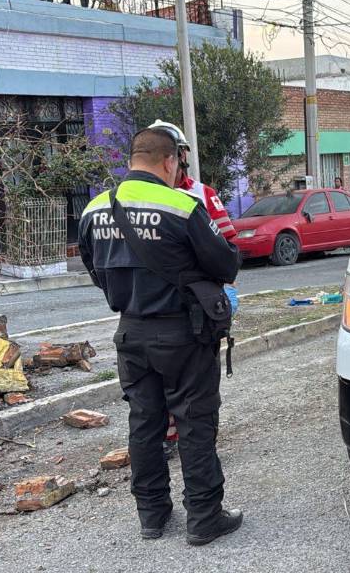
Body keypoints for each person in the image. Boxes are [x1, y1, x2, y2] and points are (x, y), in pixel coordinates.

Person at [78, 127, 242, 546]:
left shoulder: (94, 209)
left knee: (144, 425)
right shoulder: (181, 204)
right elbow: (226, 264)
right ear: (170, 162)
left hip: (130, 331)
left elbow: (95, 272)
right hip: (183, 332)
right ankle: (204, 517)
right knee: (194, 422)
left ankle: (151, 515)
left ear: (134, 158)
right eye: (178, 165)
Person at [147, 120, 238, 452]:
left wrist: (220, 293)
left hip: (199, 307)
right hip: (156, 306)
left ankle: (198, 437)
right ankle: (170, 436)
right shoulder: (140, 198)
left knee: (196, 383)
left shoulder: (202, 195)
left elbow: (229, 248)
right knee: (159, 382)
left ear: (179, 156)